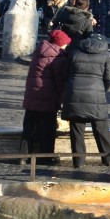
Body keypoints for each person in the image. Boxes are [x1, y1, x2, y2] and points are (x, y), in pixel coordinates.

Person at [62, 32, 110, 168]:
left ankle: (78, 161)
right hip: (96, 92)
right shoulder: (106, 55)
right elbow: (109, 78)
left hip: (75, 93)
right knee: (101, 127)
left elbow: (66, 74)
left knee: (77, 130)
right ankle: (109, 158)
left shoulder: (74, 52)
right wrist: (101, 88)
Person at [20, 29, 70, 164]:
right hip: (48, 98)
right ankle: (45, 157)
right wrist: (63, 98)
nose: (66, 46)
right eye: (65, 44)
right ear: (60, 44)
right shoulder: (57, 56)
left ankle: (23, 157)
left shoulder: (39, 52)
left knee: (28, 128)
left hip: (32, 96)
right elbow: (60, 81)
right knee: (47, 129)